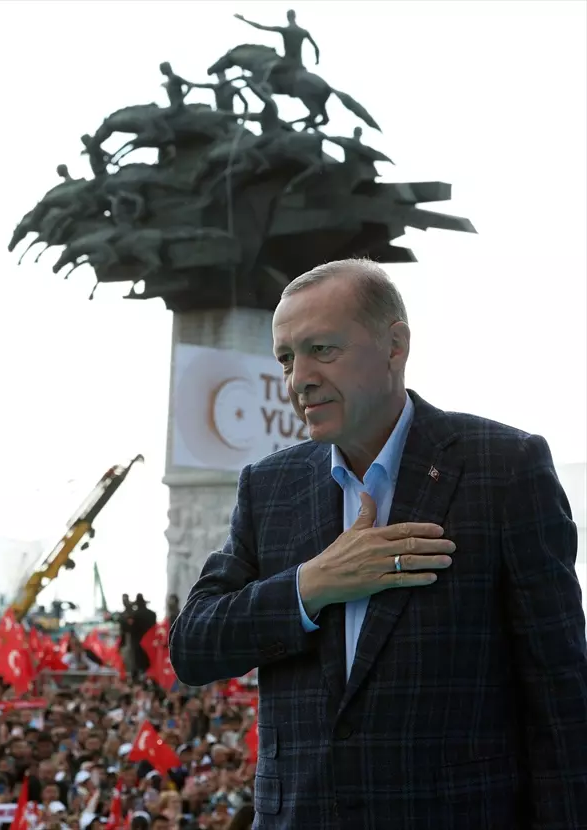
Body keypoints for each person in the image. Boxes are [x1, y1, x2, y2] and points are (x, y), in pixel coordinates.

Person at [169, 258, 587, 828]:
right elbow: (192, 645)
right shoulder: (270, 486)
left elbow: (560, 695)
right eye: (287, 359)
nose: (299, 379)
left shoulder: (504, 467)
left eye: (323, 350)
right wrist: (311, 586)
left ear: (395, 346)